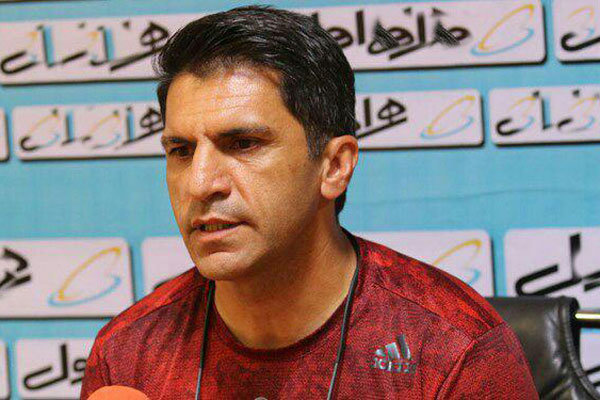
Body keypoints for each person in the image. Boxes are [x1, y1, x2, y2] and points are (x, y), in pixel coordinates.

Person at [81, 6, 538, 399]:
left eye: (243, 144)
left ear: (335, 165)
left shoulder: (452, 348)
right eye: (181, 151)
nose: (200, 184)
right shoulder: (127, 354)